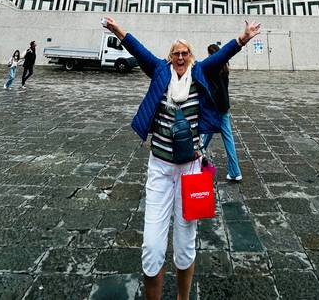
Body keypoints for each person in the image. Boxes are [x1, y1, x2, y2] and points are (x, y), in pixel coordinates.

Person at [105, 16, 261, 300]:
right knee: (152, 247)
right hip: (160, 169)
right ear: (169, 57)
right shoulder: (160, 71)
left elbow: (224, 54)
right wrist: (118, 30)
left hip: (190, 171)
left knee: (185, 242)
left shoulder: (200, 71)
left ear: (191, 57)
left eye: (184, 53)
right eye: (176, 53)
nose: (180, 57)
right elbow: (138, 50)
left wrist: (244, 37)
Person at [201, 43, 242, 182]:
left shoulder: (212, 68)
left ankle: (197, 161)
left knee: (205, 136)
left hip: (214, 108)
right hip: (224, 107)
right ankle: (235, 172)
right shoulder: (225, 67)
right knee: (227, 139)